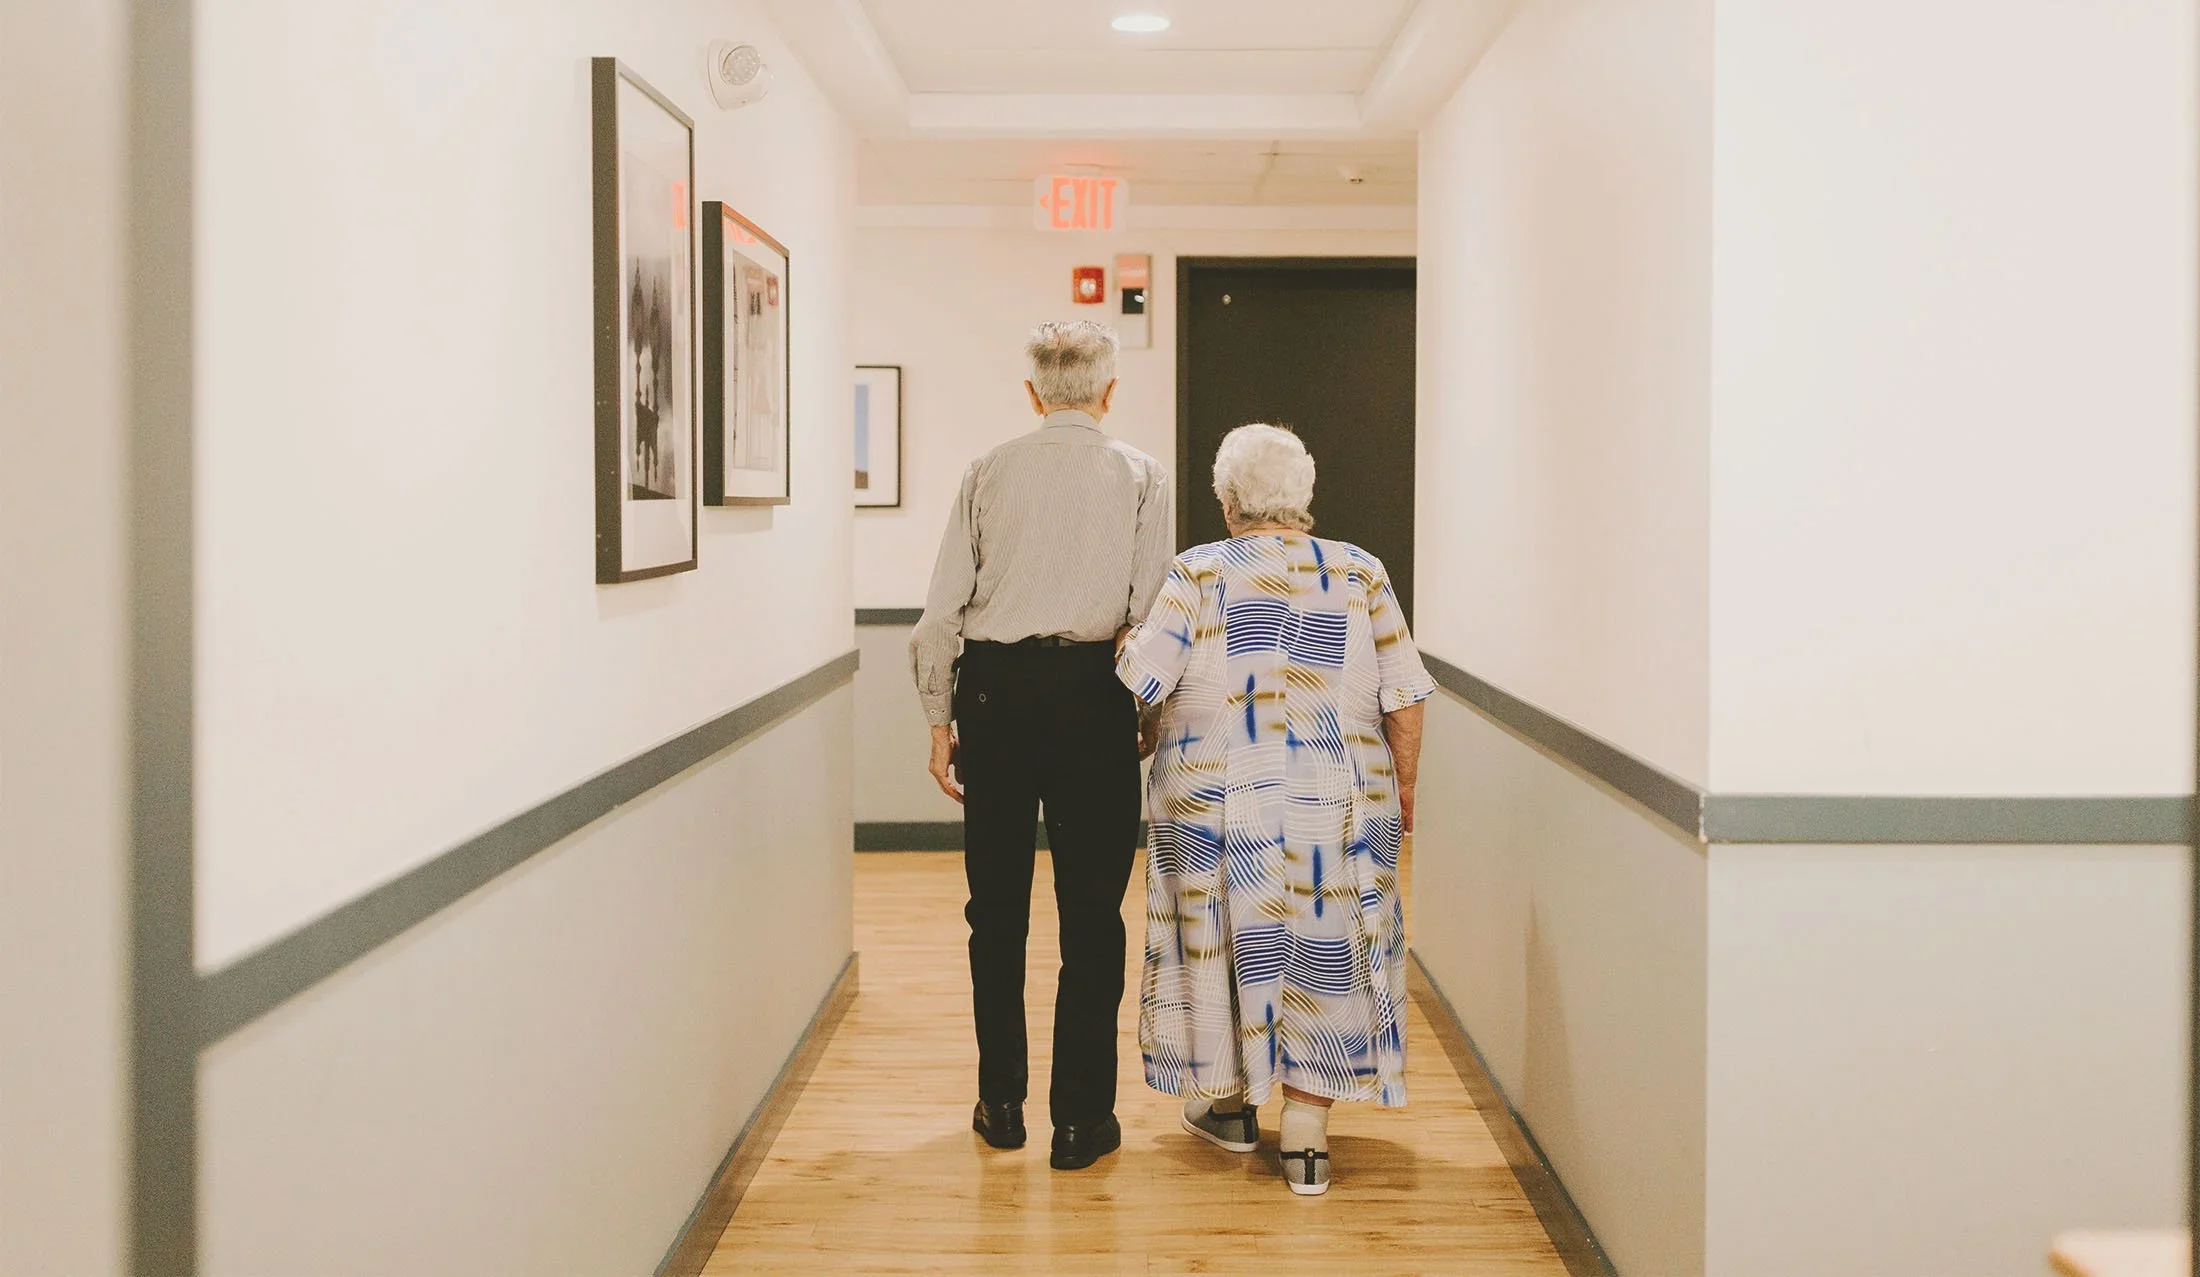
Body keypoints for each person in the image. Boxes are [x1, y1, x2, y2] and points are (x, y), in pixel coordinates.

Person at [1114, 423, 1435, 1196]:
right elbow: (1405, 696)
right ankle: (1307, 1134)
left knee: (1220, 938)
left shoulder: (1197, 573)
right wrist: (1405, 787)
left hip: (1218, 798)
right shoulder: (1362, 573)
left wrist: (1128, 640)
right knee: (1324, 945)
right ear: (1304, 498)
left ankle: (1227, 1106)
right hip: (1335, 795)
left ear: (1227, 502)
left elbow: (1143, 682)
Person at [909, 320, 1173, 1171]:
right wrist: (1147, 713)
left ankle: (1003, 1103)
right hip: (1095, 695)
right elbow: (1152, 615)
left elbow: (939, 613)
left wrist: (939, 721)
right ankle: (1080, 1122)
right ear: (1108, 392)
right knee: (1092, 918)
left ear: (1033, 394)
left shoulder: (988, 470)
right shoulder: (1141, 475)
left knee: (996, 914)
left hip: (995, 696)